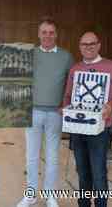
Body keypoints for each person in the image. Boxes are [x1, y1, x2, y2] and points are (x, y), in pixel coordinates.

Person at [62, 31, 112, 207]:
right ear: (80, 47)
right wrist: (65, 109)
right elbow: (68, 96)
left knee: (99, 173)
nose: (88, 47)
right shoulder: (75, 69)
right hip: (78, 130)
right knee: (82, 172)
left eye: (92, 43)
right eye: (84, 44)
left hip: (100, 130)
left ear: (99, 45)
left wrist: (110, 106)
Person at [16, 16, 74, 207]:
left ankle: (50, 196)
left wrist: (67, 103)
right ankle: (31, 195)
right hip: (32, 112)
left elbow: (72, 83)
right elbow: (20, 80)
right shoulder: (29, 55)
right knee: (31, 157)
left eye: (51, 32)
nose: (48, 36)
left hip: (55, 113)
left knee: (53, 157)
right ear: (38, 34)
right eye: (44, 32)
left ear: (56, 35)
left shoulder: (66, 56)